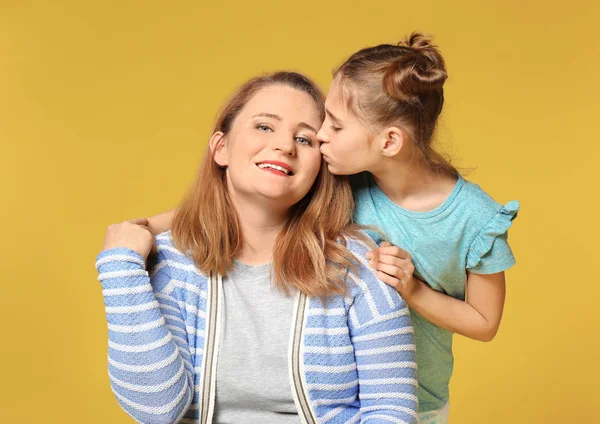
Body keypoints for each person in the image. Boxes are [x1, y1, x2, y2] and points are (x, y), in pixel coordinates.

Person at [146, 33, 519, 423]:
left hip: (417, 402)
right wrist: (142, 229)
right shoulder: (346, 181)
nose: (321, 135)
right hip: (345, 395)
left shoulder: (475, 218)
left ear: (389, 141)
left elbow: (485, 322)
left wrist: (413, 289)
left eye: (335, 127)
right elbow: (232, 202)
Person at [96, 71, 418, 424]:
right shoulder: (171, 264)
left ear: (320, 168)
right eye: (265, 127)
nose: (285, 145)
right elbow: (157, 410)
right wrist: (120, 267)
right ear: (221, 148)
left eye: (305, 139)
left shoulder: (357, 266)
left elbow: (391, 411)